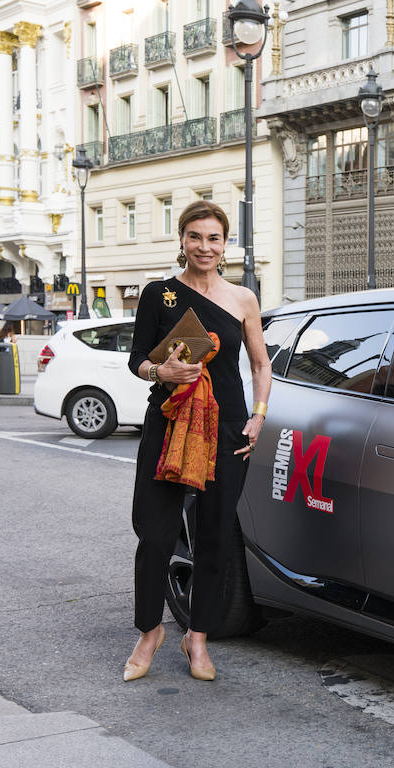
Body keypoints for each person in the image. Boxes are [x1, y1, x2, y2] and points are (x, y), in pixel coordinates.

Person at [121, 200, 272, 682]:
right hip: (168, 422)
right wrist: (159, 371)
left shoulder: (244, 298)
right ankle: (150, 631)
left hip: (226, 427)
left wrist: (259, 416)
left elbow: (260, 364)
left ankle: (198, 637)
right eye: (194, 237)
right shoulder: (158, 294)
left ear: (225, 244)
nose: (204, 247)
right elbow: (137, 359)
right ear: (181, 240)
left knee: (213, 538)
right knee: (156, 533)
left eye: (213, 238)